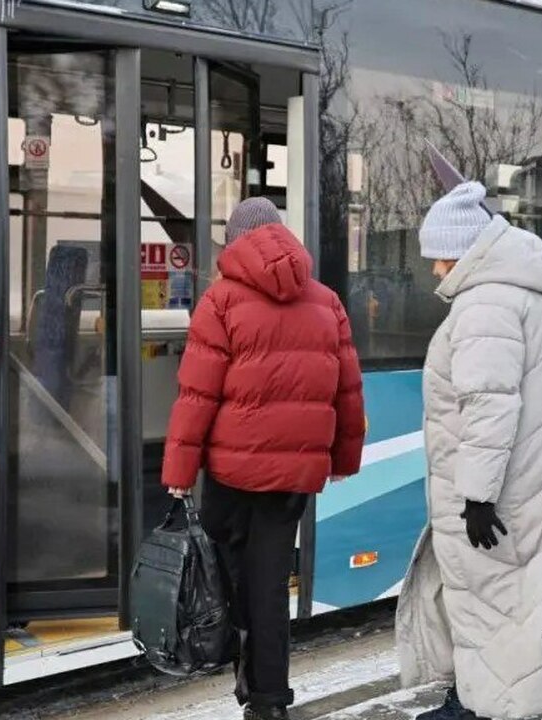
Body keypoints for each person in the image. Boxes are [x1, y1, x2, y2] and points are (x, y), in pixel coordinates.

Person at [395, 179, 542, 720]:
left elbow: (489, 407)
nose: (437, 271)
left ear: (465, 251)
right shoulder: (516, 293)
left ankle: (481, 708)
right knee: (525, 599)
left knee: (491, 603)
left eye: (440, 258)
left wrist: (477, 496)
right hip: (526, 481)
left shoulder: (487, 305)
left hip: (500, 491)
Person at [162, 197, 366, 720]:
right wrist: (343, 459)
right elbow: (347, 392)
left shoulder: (221, 300)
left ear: (234, 241)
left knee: (222, 574)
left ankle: (230, 660)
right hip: (293, 477)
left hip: (231, 475)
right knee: (270, 585)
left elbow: (197, 396)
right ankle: (269, 701)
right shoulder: (326, 301)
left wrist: (180, 474)